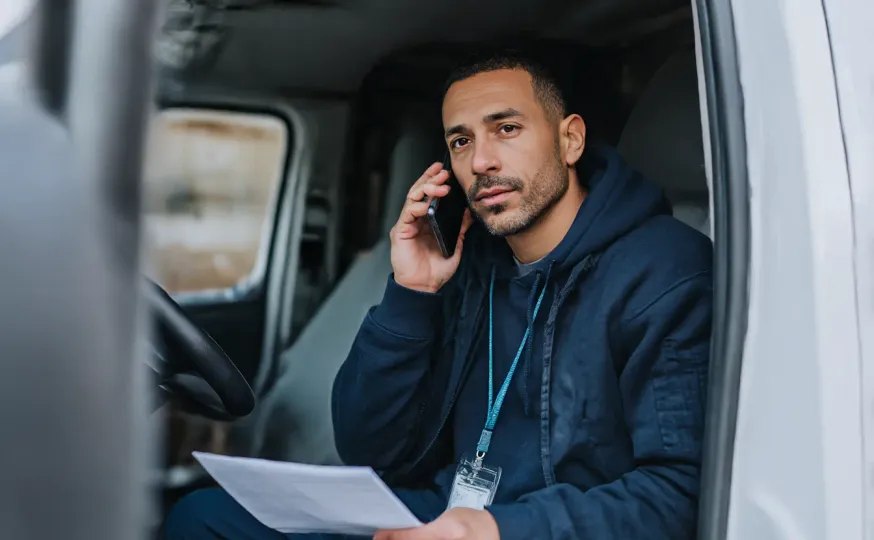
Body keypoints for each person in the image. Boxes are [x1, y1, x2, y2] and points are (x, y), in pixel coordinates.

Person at [164, 48, 713, 540]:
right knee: (202, 517)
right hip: (446, 513)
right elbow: (371, 449)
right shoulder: (473, 263)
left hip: (545, 529)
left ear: (570, 139)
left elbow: (679, 493)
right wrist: (412, 292)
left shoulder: (664, 270)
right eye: (461, 140)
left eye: (507, 129)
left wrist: (495, 529)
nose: (481, 162)